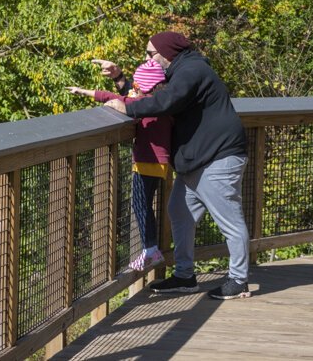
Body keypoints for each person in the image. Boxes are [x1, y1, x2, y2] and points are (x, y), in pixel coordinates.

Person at [98, 31, 251, 300]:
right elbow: (149, 92)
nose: (148, 59)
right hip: (199, 159)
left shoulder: (191, 71)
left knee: (230, 221)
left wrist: (128, 109)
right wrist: (120, 79)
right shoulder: (182, 70)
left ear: (168, 53)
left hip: (218, 157)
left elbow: (167, 101)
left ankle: (238, 280)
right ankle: (184, 276)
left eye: (150, 54)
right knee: (179, 211)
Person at [67, 60, 171, 272]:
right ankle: (151, 249)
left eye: (137, 85)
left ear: (144, 86)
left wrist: (115, 103)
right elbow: (117, 97)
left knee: (141, 205)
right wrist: (85, 91)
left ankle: (151, 250)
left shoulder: (146, 105)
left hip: (148, 161)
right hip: (157, 161)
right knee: (144, 205)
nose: (134, 88)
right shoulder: (159, 101)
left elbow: (119, 100)